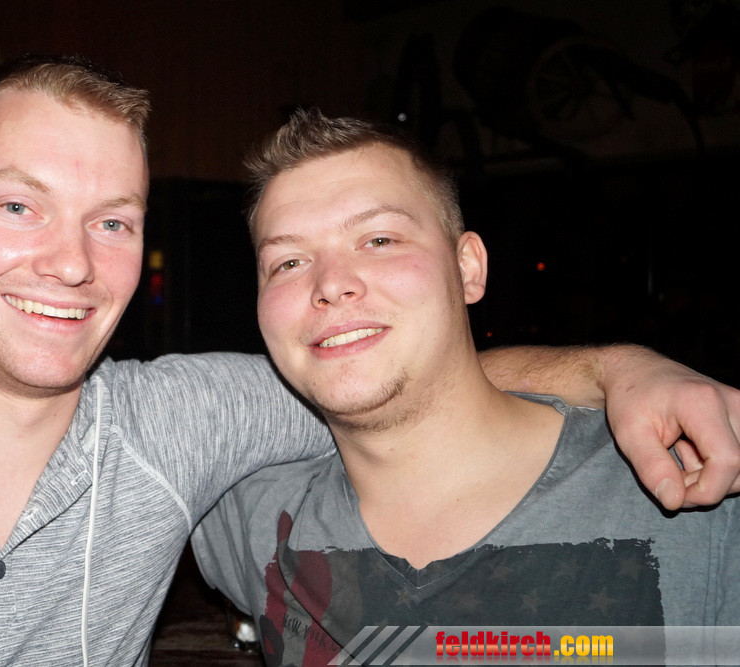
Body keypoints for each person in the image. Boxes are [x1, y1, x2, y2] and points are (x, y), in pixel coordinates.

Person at [0, 55, 740, 663]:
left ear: (469, 264)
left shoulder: (696, 494)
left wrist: (618, 366)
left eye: (111, 221)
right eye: (18, 206)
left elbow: (407, 376)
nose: (68, 261)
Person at [190, 110, 740, 665]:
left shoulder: (696, 486)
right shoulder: (250, 513)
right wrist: (608, 368)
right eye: (288, 261)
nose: (330, 284)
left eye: (378, 239)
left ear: (468, 267)